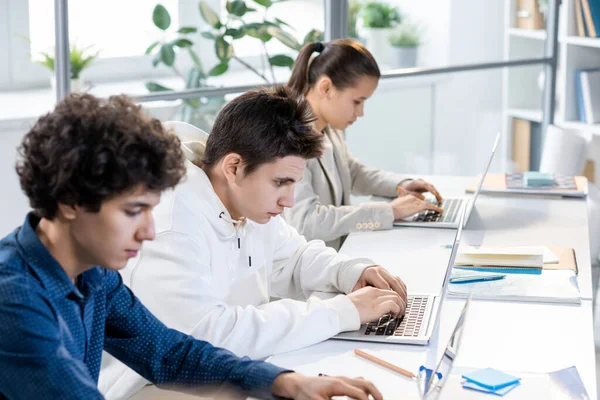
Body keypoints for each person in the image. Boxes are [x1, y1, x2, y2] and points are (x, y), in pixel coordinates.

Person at [0, 93, 383, 400]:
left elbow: (169, 352)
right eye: (134, 211)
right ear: (70, 202)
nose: (149, 232)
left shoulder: (93, 273)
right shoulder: (14, 301)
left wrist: (282, 382)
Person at [98, 86, 407, 399]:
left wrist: (348, 271)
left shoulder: (247, 203)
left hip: (233, 365)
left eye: (293, 184)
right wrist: (339, 313)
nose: (288, 201)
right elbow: (208, 336)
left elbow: (294, 257)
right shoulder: (172, 224)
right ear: (233, 167)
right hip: (153, 386)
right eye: (280, 183)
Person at [283, 39, 444, 250]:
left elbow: (354, 172)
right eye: (357, 101)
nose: (360, 113)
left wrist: (403, 184)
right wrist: (389, 212)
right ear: (326, 87)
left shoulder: (328, 127)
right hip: (307, 274)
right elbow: (306, 222)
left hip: (334, 260)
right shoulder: (290, 140)